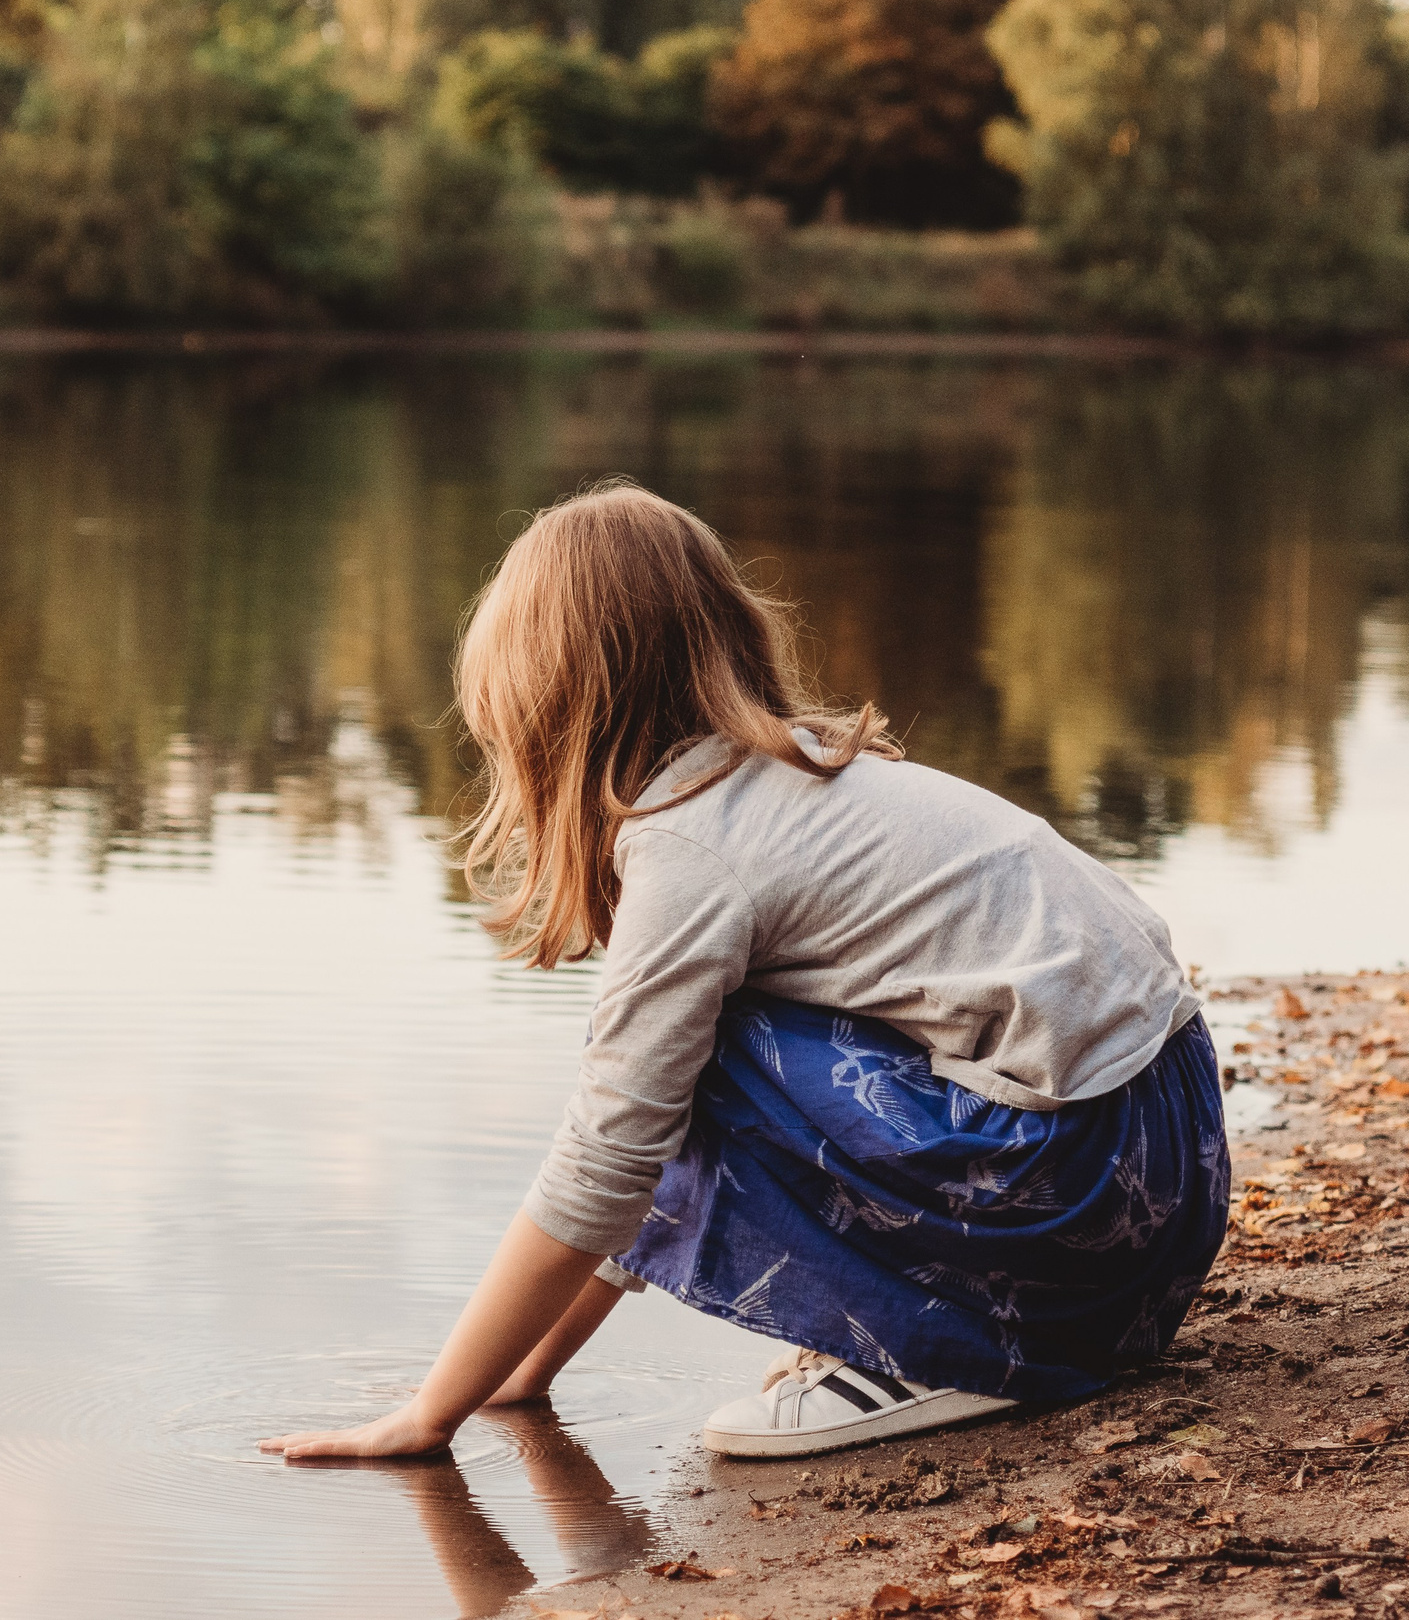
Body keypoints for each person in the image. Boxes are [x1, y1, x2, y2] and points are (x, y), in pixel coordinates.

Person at [258, 481, 1228, 1463]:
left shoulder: (691, 847)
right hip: (1163, 1177)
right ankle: (979, 1319)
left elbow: (612, 1153)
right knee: (678, 1049)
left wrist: (432, 1411)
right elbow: (635, 1154)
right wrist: (522, 1375)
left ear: (547, 704)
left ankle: (933, 1350)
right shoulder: (797, 773)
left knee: (689, 1055)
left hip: (1074, 1194)